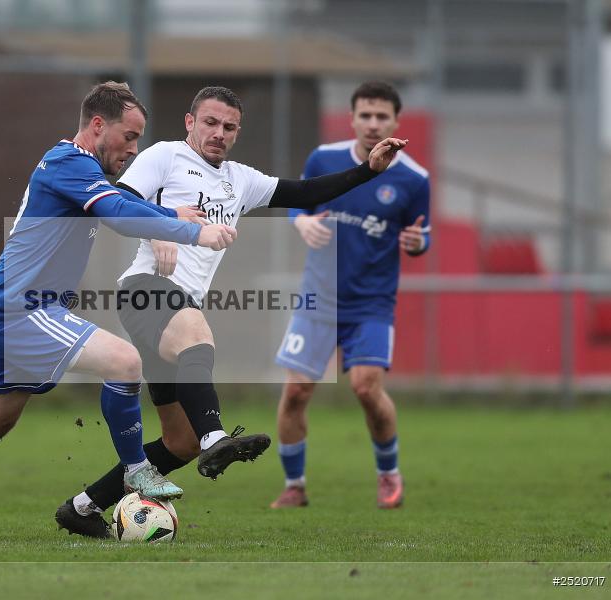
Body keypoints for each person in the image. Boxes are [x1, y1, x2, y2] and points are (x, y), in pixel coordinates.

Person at [54, 85, 407, 538]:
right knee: (198, 337)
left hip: (175, 307)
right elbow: (118, 196)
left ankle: (82, 508)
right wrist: (161, 229)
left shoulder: (241, 180)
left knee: (178, 442)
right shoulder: (164, 156)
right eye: (210, 122)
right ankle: (216, 438)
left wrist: (367, 170)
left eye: (229, 126)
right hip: (145, 289)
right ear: (190, 122)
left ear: (237, 132)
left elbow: (305, 192)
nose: (219, 132)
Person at [0, 81, 239, 539]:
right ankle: (137, 470)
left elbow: (122, 201)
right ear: (97, 125)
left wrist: (171, 215)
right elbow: (117, 213)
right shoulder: (69, 162)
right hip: (23, 307)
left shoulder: (77, 168)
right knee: (125, 362)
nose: (134, 149)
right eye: (129, 136)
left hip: (12, 304)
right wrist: (194, 232)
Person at [270, 81, 430, 510]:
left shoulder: (414, 178)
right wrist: (301, 222)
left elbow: (422, 234)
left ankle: (388, 474)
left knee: (365, 388)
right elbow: (298, 202)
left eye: (382, 116)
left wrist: (418, 242)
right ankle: (294, 486)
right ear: (353, 119)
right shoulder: (324, 159)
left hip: (371, 303)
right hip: (318, 298)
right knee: (296, 391)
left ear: (396, 121)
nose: (373, 124)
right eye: (366, 115)